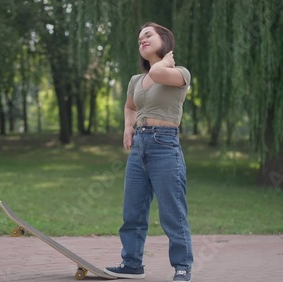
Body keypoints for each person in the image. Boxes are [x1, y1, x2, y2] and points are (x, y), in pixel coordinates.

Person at [104, 22, 193, 282]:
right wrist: (128, 127)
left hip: (165, 146)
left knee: (172, 212)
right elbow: (130, 106)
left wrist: (164, 62)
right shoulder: (136, 80)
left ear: (164, 40)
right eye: (139, 38)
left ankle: (182, 267)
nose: (141, 40)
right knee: (132, 211)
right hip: (139, 147)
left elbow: (157, 73)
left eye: (148, 35)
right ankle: (132, 263)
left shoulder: (179, 73)